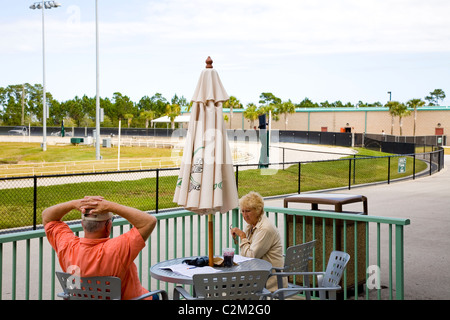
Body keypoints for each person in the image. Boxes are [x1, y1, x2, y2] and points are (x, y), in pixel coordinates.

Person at [43, 196, 157, 300]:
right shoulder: (117, 249)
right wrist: (110, 206)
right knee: (155, 295)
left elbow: (47, 216)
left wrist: (75, 203)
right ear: (108, 226)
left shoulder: (67, 246)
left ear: (83, 224)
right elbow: (149, 221)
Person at [230, 191, 287, 291]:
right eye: (242, 211)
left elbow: (250, 257)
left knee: (225, 288)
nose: (244, 215)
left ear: (258, 211)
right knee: (223, 286)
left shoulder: (265, 229)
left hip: (269, 281)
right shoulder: (252, 226)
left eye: (248, 211)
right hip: (258, 275)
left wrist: (243, 236)